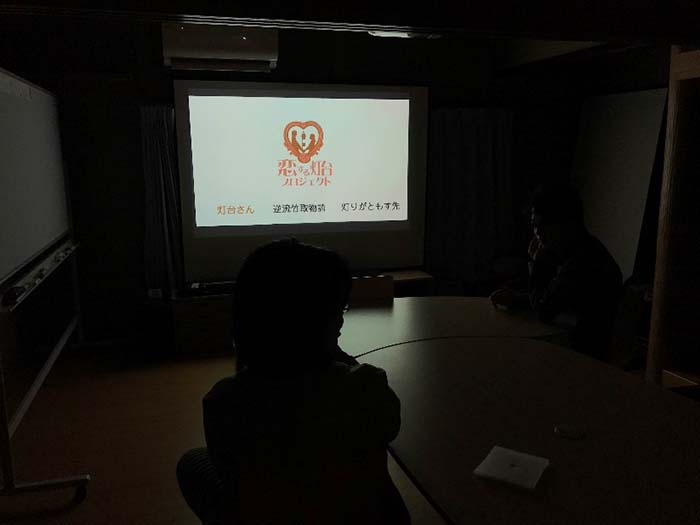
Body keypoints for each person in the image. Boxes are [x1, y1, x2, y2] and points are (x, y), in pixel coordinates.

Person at [177, 239, 409, 525]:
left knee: (191, 464)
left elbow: (227, 468)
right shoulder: (366, 387)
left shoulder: (223, 401)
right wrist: (333, 351)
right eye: (339, 310)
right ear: (329, 322)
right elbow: (390, 428)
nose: (341, 321)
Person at [490, 183, 623, 359]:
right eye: (534, 225)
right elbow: (555, 298)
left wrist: (537, 262)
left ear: (565, 223)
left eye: (541, 224)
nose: (537, 233)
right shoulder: (581, 250)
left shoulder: (583, 262)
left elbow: (544, 309)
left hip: (581, 357)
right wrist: (516, 299)